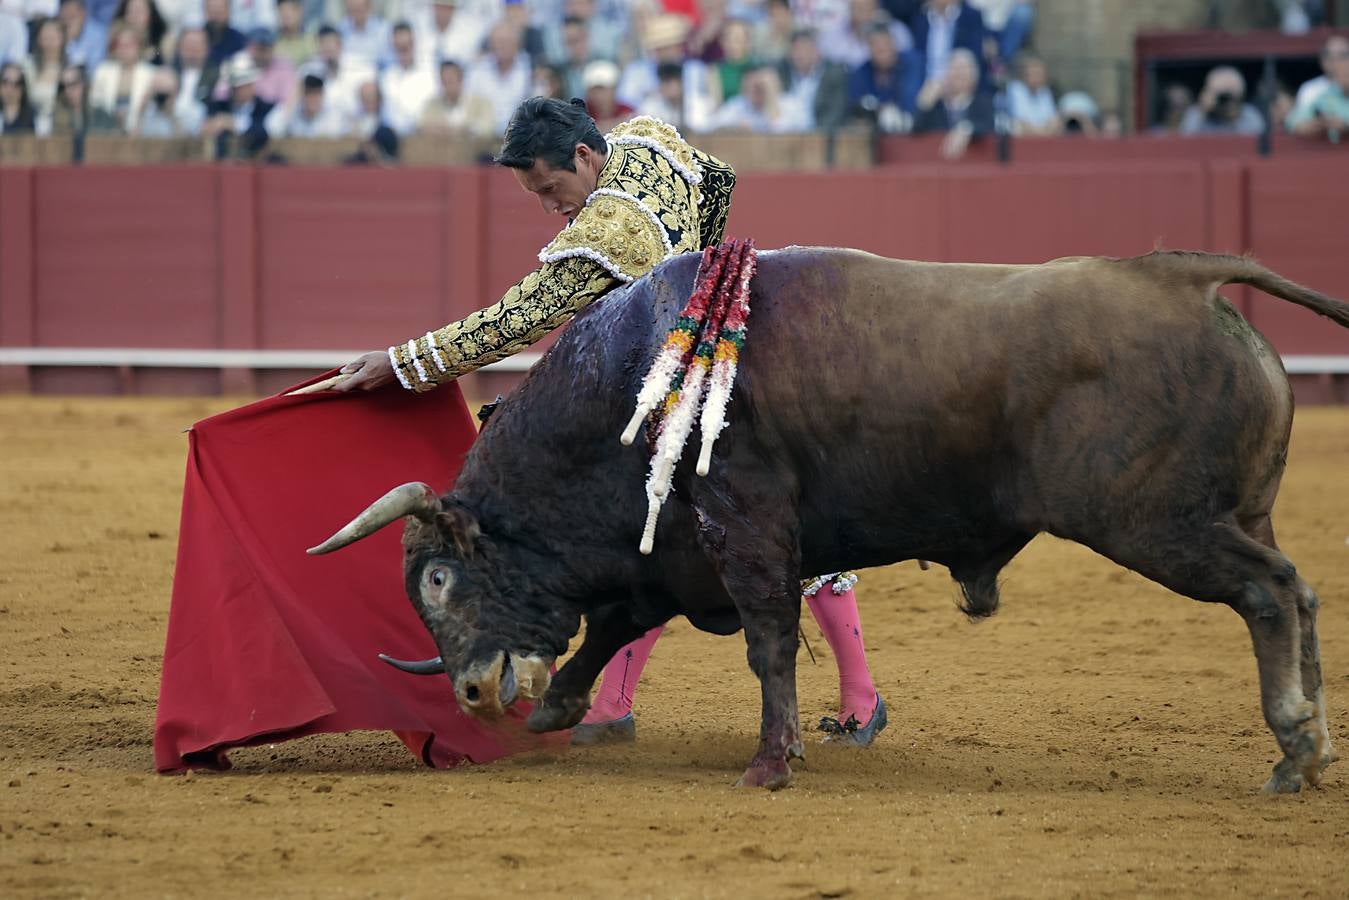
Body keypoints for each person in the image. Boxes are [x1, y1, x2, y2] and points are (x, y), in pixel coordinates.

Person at [332, 98, 890, 748]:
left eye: (551, 188)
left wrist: (403, 362)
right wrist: (696, 289)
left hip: (691, 390)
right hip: (701, 367)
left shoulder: (610, 230)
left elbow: (520, 319)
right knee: (645, 535)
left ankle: (859, 696)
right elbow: (718, 177)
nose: (550, 206)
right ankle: (613, 704)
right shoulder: (647, 140)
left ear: (583, 156)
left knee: (751, 525)